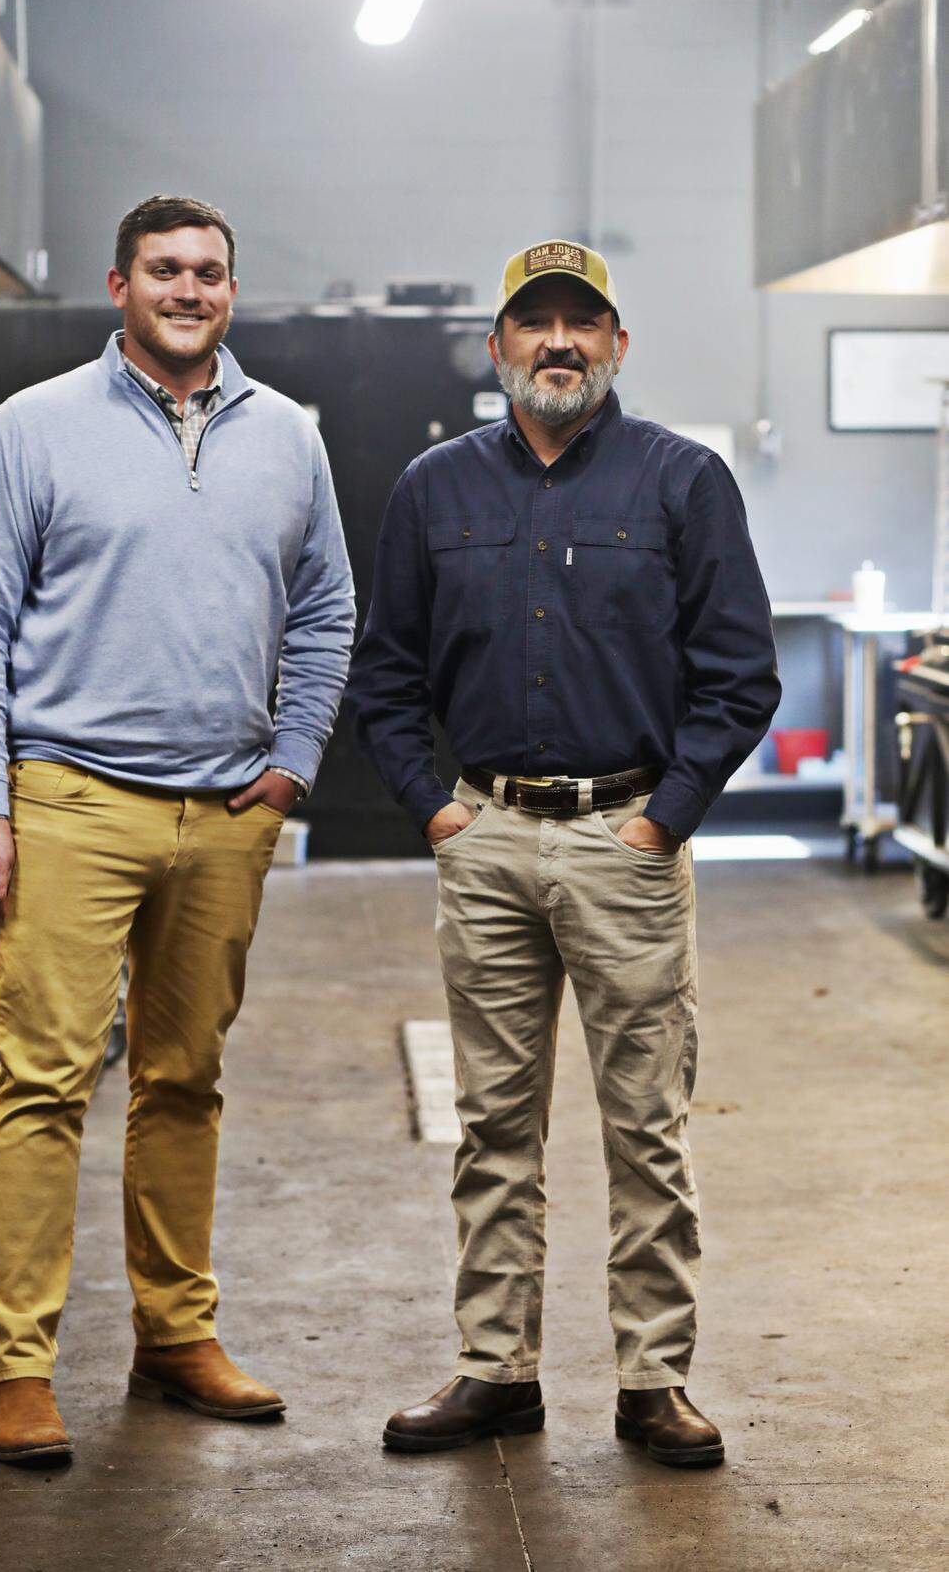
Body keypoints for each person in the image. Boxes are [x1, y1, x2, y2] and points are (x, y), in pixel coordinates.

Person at [344, 238, 780, 1466]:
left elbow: (740, 676)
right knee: (494, 1124)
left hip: (625, 840)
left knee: (646, 1123)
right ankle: (497, 1369)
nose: (558, 344)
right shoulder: (435, 489)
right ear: (497, 348)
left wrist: (662, 822)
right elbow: (385, 676)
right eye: (534, 324)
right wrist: (434, 809)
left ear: (618, 345)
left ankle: (654, 1378)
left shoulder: (682, 482)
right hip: (485, 840)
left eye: (582, 324)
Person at [0, 194, 354, 1465]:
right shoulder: (35, 426)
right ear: (120, 284)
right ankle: (19, 1367)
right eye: (166, 269)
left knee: (186, 1080)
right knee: (46, 1082)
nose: (190, 289)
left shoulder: (287, 436)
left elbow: (329, 610)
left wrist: (290, 769)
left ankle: (176, 1337)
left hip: (227, 813)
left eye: (212, 273)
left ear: (234, 291)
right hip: (69, 800)